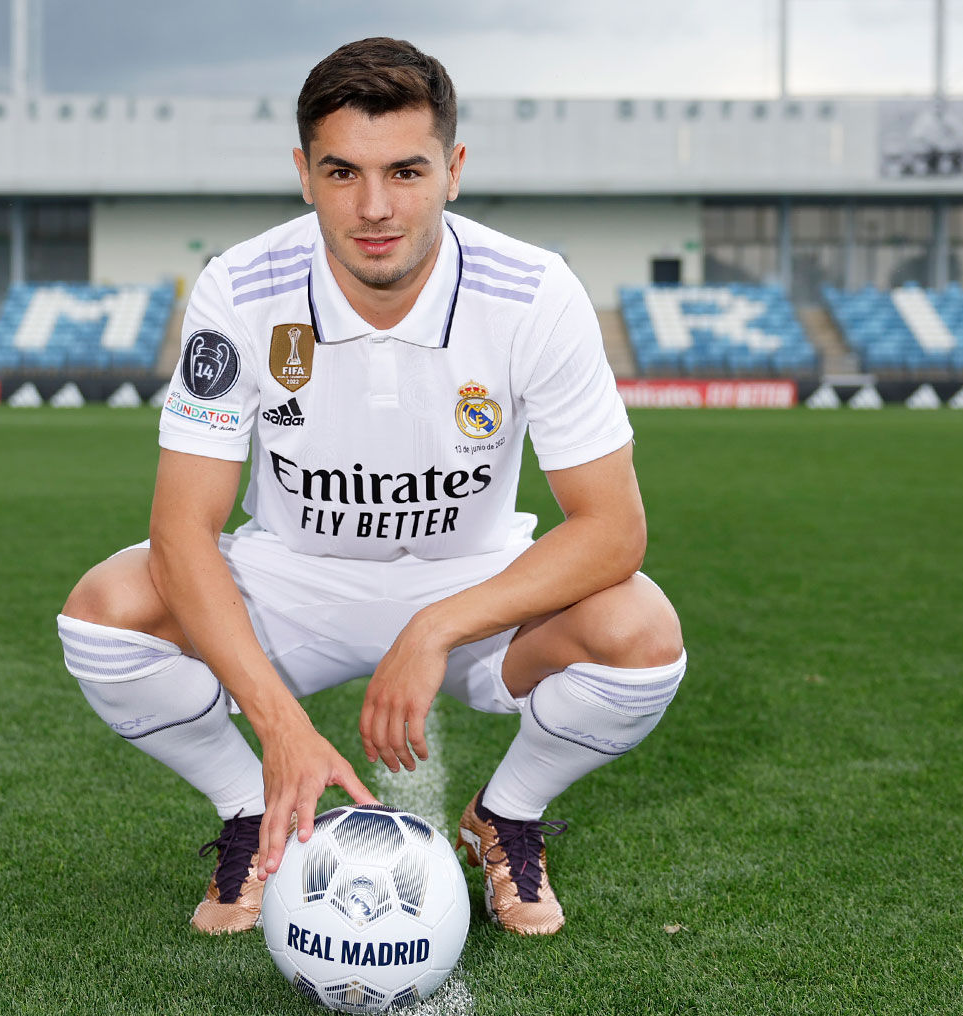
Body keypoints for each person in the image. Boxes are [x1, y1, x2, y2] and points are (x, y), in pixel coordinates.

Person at [59, 37, 684, 937]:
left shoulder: (534, 291)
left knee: (642, 631)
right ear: (304, 174)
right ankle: (252, 815)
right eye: (343, 171)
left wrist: (434, 629)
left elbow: (614, 530)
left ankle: (505, 815)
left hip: (472, 589)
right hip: (294, 585)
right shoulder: (240, 288)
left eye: (407, 170)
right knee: (103, 612)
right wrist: (277, 727)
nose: (376, 207)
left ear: (455, 170)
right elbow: (182, 534)